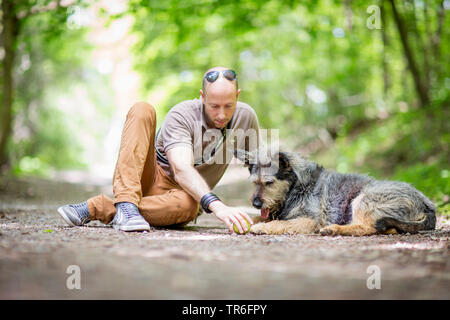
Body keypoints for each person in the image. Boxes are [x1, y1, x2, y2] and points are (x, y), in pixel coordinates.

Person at [57, 67, 261, 234]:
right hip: (150, 177)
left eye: (228, 105)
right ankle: (126, 203)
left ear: (237, 96)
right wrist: (217, 205)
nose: (221, 114)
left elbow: (257, 164)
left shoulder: (246, 117)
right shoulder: (182, 114)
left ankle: (103, 207)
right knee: (142, 109)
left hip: (183, 196)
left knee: (189, 206)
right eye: (214, 106)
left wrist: (274, 205)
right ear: (202, 97)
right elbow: (181, 168)